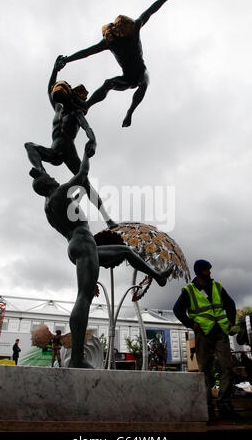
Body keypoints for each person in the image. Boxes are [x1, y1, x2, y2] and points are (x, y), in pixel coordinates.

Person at [28, 153, 173, 368]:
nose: (55, 179)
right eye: (51, 179)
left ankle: (158, 276)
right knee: (84, 297)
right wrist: (87, 152)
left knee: (125, 251)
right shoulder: (58, 193)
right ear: (48, 184)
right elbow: (82, 174)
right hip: (83, 243)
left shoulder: (50, 205)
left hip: (79, 244)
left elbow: (72, 202)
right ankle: (76, 358)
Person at [59, 0, 183, 127]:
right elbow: (87, 52)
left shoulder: (135, 27)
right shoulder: (110, 42)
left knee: (144, 82)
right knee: (108, 83)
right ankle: (87, 105)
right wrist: (67, 59)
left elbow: (151, 10)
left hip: (141, 71)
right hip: (127, 78)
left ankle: (130, 112)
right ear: (118, 34)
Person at [24, 56, 116, 229]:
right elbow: (49, 89)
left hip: (67, 150)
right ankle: (40, 170)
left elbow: (88, 128)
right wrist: (55, 69)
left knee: (85, 183)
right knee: (30, 146)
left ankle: (107, 219)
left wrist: (93, 142)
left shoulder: (75, 114)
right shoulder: (58, 109)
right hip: (54, 151)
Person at [173, 259, 238, 420]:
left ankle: (224, 404)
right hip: (203, 334)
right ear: (200, 271)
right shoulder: (189, 290)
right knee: (205, 371)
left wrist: (231, 321)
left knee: (227, 367)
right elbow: (177, 310)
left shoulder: (217, 287)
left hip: (220, 332)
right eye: (207, 270)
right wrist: (190, 324)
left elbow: (231, 304)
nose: (210, 272)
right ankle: (207, 407)